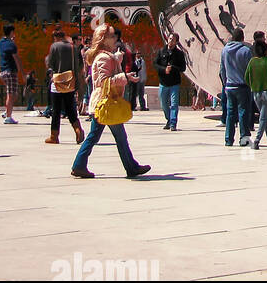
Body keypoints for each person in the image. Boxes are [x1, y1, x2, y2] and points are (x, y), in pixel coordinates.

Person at [71, 21, 151, 180]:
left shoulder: (107, 56)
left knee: (106, 136)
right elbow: (103, 81)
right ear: (104, 38)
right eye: (112, 35)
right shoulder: (103, 57)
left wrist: (117, 60)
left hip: (106, 103)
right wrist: (124, 76)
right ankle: (80, 165)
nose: (115, 38)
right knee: (103, 136)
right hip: (105, 102)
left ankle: (130, 166)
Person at [45, 26, 84, 146]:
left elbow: (50, 63)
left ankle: (54, 136)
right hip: (70, 81)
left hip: (58, 81)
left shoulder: (54, 46)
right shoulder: (73, 47)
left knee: (56, 110)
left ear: (56, 37)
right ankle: (78, 129)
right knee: (70, 108)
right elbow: (79, 65)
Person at [244, 39, 267, 152]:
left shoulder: (252, 62)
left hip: (256, 92)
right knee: (263, 117)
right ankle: (257, 140)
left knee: (263, 116)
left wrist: (253, 85)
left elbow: (246, 77)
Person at [220, 26, 254, 147]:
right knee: (243, 112)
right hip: (242, 86)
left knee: (230, 113)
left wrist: (225, 83)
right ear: (242, 38)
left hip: (229, 86)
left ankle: (228, 139)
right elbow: (250, 70)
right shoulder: (246, 50)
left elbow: (222, 70)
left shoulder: (225, 50)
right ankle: (243, 138)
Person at [153, 32, 186, 131]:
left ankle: (173, 123)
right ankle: (168, 119)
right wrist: (164, 69)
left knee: (174, 104)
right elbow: (155, 64)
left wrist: (173, 68)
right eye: (170, 38)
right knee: (164, 104)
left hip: (174, 83)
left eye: (173, 39)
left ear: (176, 42)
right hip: (163, 82)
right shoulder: (161, 51)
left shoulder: (179, 54)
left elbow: (183, 68)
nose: (170, 41)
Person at [0, 23, 19, 124]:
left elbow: (6, 50)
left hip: (3, 71)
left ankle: (7, 112)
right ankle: (8, 117)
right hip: (10, 71)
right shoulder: (11, 45)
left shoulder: (1, 42)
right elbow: (16, 59)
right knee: (11, 95)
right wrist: (23, 73)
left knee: (13, 94)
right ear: (11, 32)